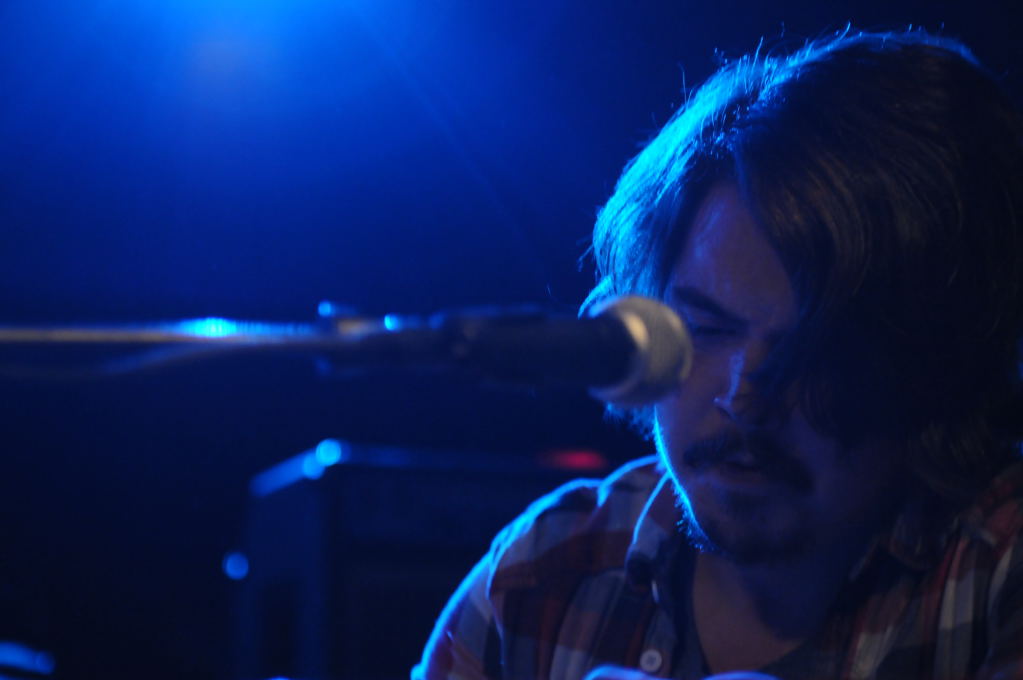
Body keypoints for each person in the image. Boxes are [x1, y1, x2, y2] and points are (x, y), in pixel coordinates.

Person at [413, 28, 1023, 680]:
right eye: (705, 329)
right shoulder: (542, 571)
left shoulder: (1000, 564)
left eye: (810, 352)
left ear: (936, 361)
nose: (743, 397)